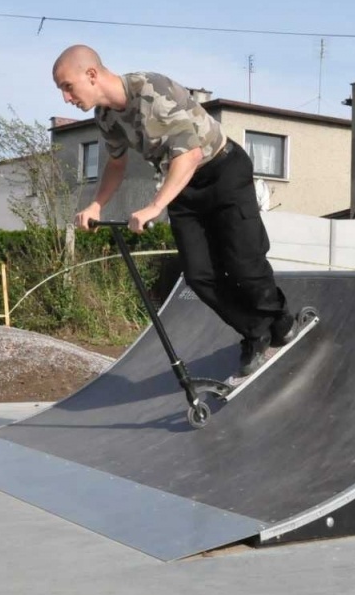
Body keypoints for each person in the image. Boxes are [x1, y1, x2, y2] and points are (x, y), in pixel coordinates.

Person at [52, 44, 294, 376]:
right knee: (198, 275)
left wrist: (154, 206)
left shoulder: (151, 90)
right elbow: (116, 164)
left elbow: (190, 155)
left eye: (68, 87)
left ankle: (279, 317)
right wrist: (96, 203)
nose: (66, 98)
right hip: (182, 186)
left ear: (91, 75)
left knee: (243, 262)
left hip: (222, 171)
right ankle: (255, 332)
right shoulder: (106, 118)